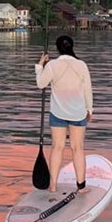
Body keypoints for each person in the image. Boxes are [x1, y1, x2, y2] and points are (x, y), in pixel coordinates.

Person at [35, 35, 93, 193]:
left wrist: (41, 65)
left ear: (58, 48)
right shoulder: (81, 65)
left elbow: (41, 84)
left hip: (58, 113)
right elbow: (87, 89)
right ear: (72, 47)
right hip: (78, 113)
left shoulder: (52, 65)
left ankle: (53, 185)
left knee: (57, 147)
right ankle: (81, 186)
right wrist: (90, 109)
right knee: (78, 148)